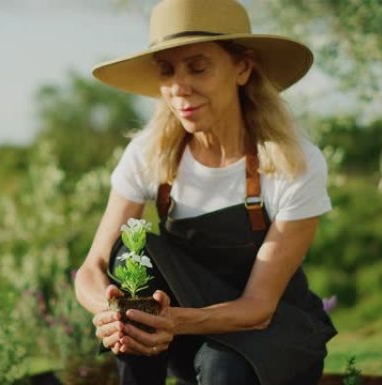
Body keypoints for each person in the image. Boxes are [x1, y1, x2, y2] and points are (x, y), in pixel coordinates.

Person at [73, 0, 338, 384]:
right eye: (167, 70)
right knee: (133, 252)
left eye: (198, 67)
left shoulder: (293, 163)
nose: (179, 87)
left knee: (221, 365)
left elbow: (258, 308)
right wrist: (113, 315)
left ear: (242, 68)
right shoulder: (150, 153)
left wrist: (170, 320)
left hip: (276, 335)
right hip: (182, 332)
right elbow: (91, 269)